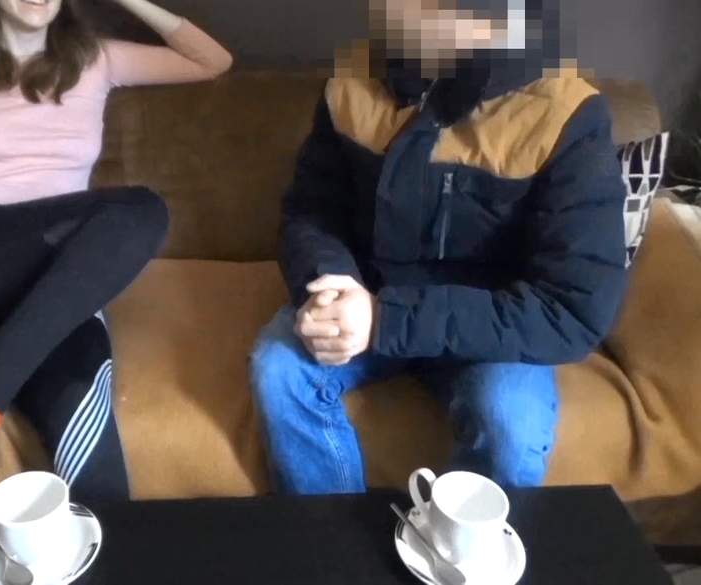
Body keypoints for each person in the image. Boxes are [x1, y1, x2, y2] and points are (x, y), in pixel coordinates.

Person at [0, 0, 232, 509]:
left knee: (80, 369)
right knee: (135, 213)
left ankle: (99, 537)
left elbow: (212, 61)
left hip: (31, 289)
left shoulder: (98, 58)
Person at [250, 0, 628, 494]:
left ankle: (453, 540)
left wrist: (387, 320)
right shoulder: (353, 81)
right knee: (278, 371)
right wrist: (329, 281)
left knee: (509, 425)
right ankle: (332, 533)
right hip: (367, 296)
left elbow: (572, 310)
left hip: (489, 323)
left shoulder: (567, 114)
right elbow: (312, 210)